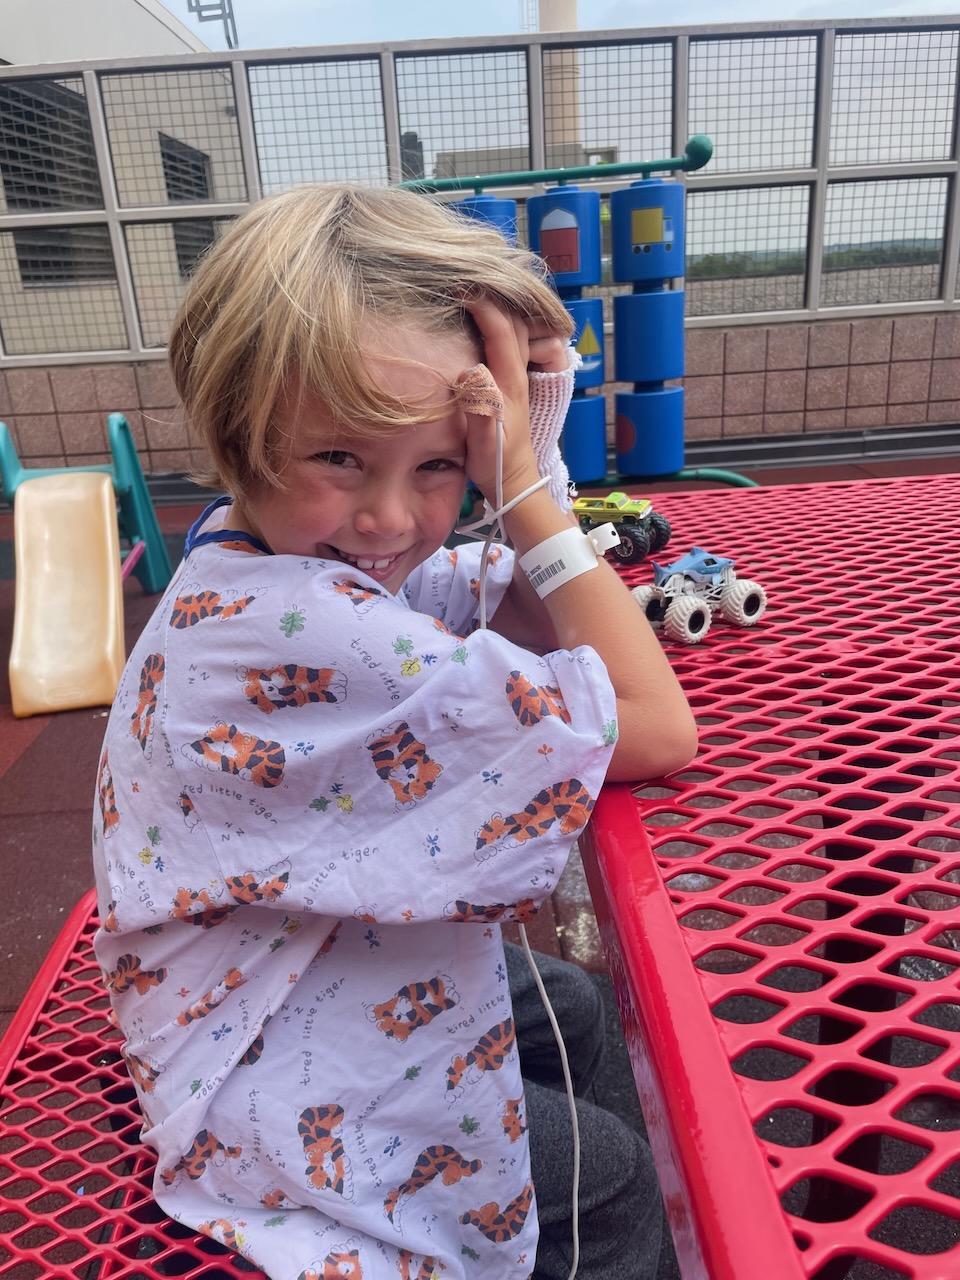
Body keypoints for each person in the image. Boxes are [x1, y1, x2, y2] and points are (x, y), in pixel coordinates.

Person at [91, 184, 696, 1280]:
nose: (389, 519)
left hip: (284, 972)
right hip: (255, 1076)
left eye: (438, 465)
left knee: (570, 1004)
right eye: (339, 459)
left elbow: (522, 614)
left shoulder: (266, 548)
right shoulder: (298, 626)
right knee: (607, 1177)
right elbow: (654, 727)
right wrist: (521, 487)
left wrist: (523, 447)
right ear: (239, 430)